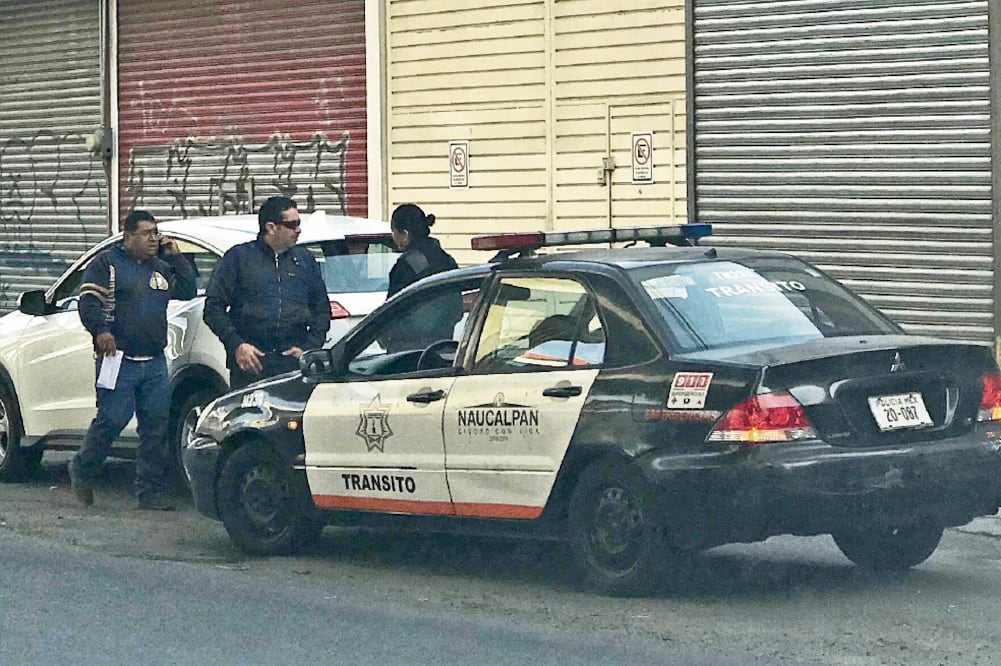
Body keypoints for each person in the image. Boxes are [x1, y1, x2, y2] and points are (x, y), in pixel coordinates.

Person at [69, 209, 197, 510]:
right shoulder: (107, 264)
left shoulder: (160, 267)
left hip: (153, 361)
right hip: (119, 359)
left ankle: (149, 490)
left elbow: (189, 289)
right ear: (128, 236)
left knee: (155, 426)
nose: (153, 238)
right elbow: (88, 302)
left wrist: (176, 257)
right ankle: (83, 468)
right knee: (112, 418)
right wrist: (101, 331)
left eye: (156, 232)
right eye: (146, 233)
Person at [203, 196, 330, 390]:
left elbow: (321, 310)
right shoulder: (239, 258)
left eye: (299, 223)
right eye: (292, 224)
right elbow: (213, 308)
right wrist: (237, 345)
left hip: (294, 362)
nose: (298, 230)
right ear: (271, 228)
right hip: (251, 362)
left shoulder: (304, 261)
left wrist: (309, 347)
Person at [381, 203, 462, 352]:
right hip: (442, 349)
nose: (393, 237)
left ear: (404, 235)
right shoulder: (447, 260)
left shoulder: (406, 265)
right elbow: (457, 307)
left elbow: (391, 313)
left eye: (393, 232)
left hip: (406, 353)